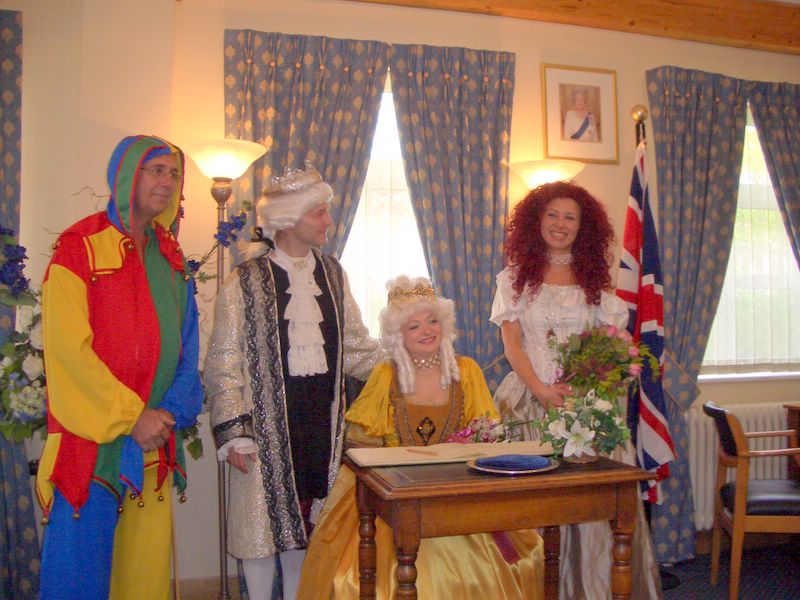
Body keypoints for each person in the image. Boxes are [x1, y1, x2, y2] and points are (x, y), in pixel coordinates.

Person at [296, 275, 545, 600]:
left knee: (502, 563)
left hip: (455, 498)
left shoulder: (467, 372)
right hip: (394, 502)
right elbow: (360, 445)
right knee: (361, 576)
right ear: (397, 334)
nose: (426, 330)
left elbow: (488, 433)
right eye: (413, 326)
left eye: (432, 321)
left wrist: (471, 447)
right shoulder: (386, 375)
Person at [203, 163, 383, 600]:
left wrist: (408, 363)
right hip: (262, 431)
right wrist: (235, 432)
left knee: (307, 530)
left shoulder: (333, 274)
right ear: (290, 217)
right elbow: (223, 361)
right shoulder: (245, 282)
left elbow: (356, 348)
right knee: (260, 532)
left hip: (320, 426)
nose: (328, 222)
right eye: (319, 213)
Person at [36, 135, 204, 600]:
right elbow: (68, 353)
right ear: (127, 174)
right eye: (157, 170)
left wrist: (167, 413)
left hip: (153, 446)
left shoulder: (172, 259)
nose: (167, 182)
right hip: (91, 446)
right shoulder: (79, 248)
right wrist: (132, 417)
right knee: (78, 577)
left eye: (174, 174)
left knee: (142, 579)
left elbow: (188, 346)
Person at [490, 181, 662, 600]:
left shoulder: (596, 285)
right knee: (530, 512)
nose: (560, 224)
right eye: (552, 214)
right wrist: (541, 391)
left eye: (570, 217)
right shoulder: (512, 279)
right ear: (536, 220)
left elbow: (608, 349)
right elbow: (513, 346)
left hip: (584, 408)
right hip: (526, 404)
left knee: (590, 513)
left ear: (583, 227)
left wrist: (576, 393)